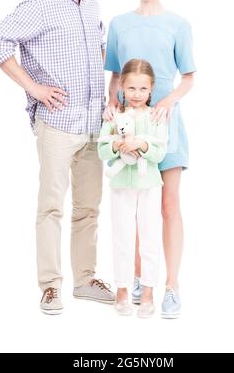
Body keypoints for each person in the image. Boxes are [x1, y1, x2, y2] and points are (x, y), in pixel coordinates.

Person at [0, 0, 115, 315]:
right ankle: (50, 286)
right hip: (58, 123)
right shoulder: (40, 5)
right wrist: (33, 87)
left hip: (94, 124)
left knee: (89, 208)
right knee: (51, 207)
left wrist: (111, 95)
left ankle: (85, 280)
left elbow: (101, 48)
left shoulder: (93, 7)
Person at [103, 0, 196, 319]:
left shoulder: (178, 25)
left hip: (165, 126)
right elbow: (114, 77)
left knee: (167, 206)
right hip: (127, 127)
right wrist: (112, 109)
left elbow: (188, 77)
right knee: (134, 203)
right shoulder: (119, 24)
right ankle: (140, 279)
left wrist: (168, 101)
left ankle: (171, 285)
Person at [98, 59, 168, 318]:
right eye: (131, 89)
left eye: (142, 89)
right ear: (121, 89)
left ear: (151, 90)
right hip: (120, 187)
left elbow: (160, 152)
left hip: (149, 186)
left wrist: (142, 145)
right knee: (122, 239)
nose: (136, 95)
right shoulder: (113, 117)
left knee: (149, 240)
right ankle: (122, 291)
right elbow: (102, 149)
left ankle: (148, 293)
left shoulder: (156, 116)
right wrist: (117, 146)